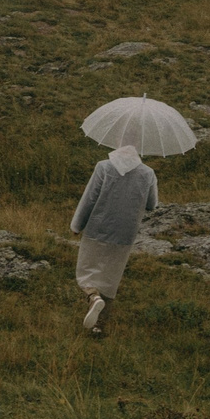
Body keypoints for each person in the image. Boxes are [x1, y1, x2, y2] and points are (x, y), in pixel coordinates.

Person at [67, 140, 159, 336]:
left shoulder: (104, 167)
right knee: (110, 279)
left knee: (86, 271)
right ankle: (99, 327)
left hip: (97, 229)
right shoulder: (147, 173)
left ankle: (93, 296)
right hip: (125, 233)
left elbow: (89, 198)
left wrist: (77, 225)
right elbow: (152, 204)